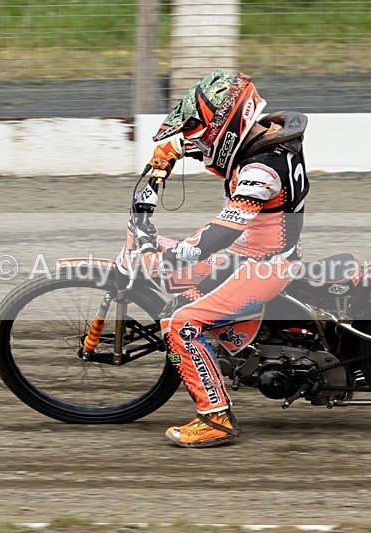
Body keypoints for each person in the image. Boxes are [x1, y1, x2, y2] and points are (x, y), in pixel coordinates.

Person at [129, 69, 310, 447]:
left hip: (262, 265)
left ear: (228, 123)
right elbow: (225, 153)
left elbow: (222, 231)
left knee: (180, 322)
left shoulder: (262, 170)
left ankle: (215, 417)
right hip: (254, 255)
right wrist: (174, 152)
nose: (202, 138)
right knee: (179, 269)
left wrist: (176, 255)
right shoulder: (271, 140)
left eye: (206, 130)